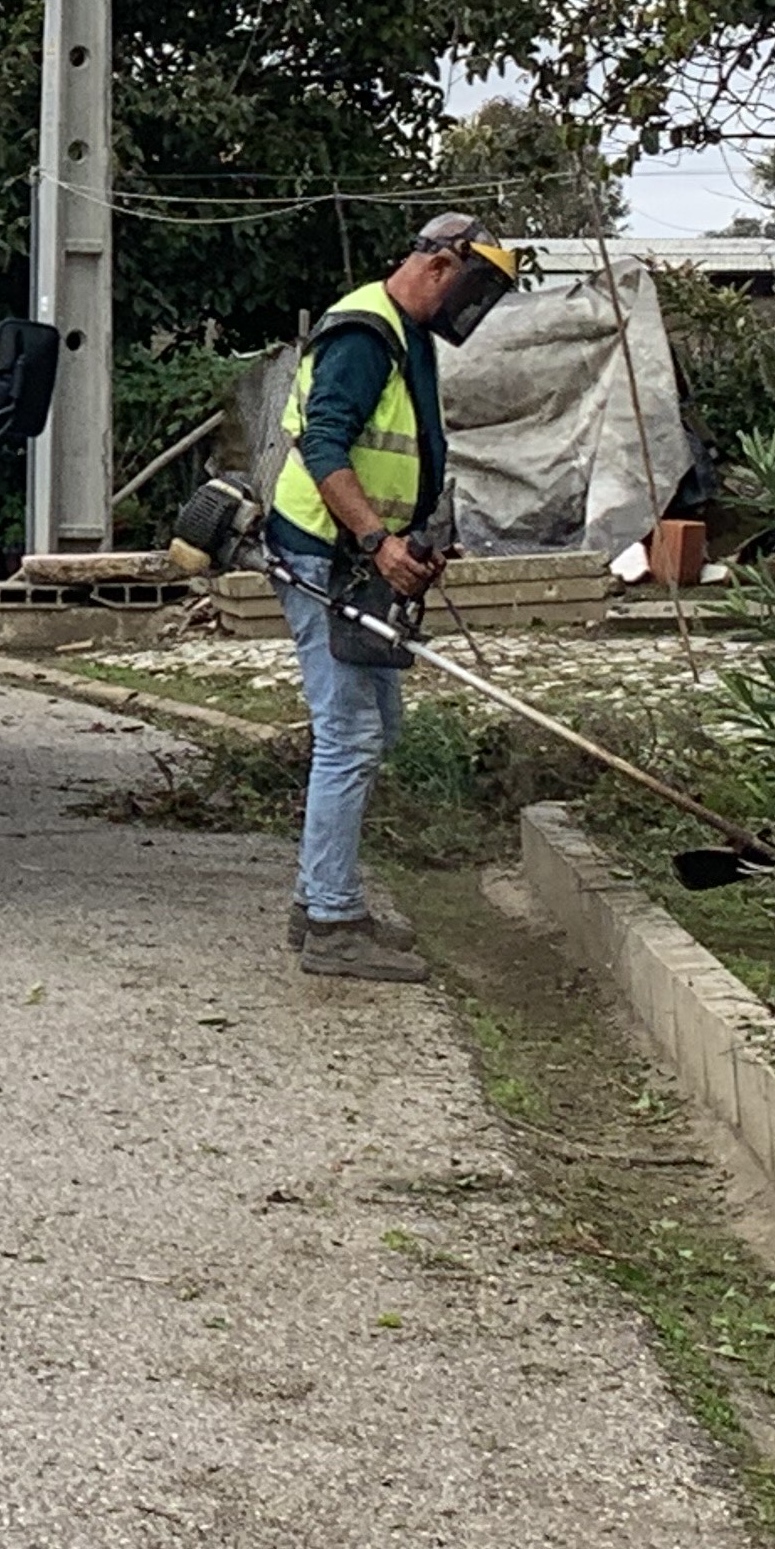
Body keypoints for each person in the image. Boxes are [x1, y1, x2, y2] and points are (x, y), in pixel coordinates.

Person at [267, 209, 521, 982]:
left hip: (364, 558)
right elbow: (323, 446)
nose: (469, 313)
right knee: (348, 734)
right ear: (442, 268)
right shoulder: (363, 336)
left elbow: (404, 453)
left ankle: (321, 900)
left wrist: (417, 538)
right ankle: (335, 928)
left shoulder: (406, 336)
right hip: (327, 556)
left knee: (377, 723)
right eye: (471, 291)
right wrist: (379, 540)